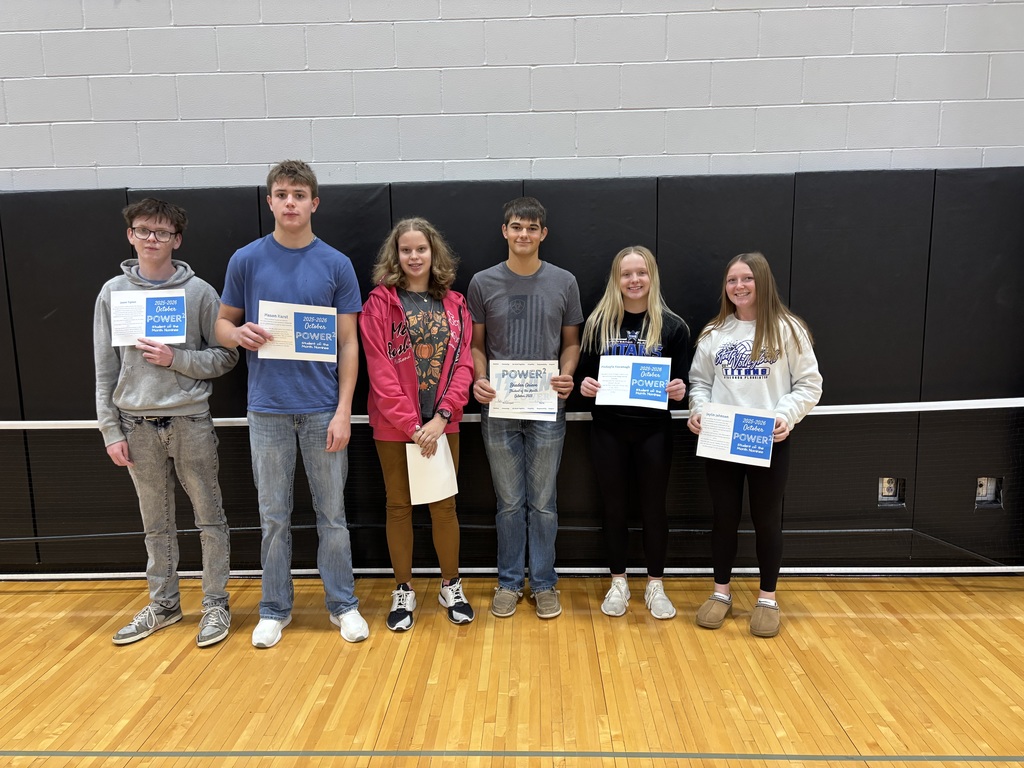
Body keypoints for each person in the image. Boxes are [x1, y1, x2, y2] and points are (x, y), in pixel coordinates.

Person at [215, 160, 368, 648]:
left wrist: (344, 409)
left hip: (323, 408)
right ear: (270, 202)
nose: (289, 202)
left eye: (299, 195)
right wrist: (236, 334)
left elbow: (349, 343)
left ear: (314, 203)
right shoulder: (247, 260)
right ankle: (274, 608)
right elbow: (221, 323)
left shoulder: (336, 264)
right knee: (274, 516)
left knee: (333, 515)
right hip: (267, 410)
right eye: (281, 194)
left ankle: (342, 605)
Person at [94, 198, 238, 647]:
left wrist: (177, 359)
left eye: (161, 233)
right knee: (155, 522)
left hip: (190, 422)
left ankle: (215, 602)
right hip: (136, 426)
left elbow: (226, 355)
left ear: (177, 239)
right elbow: (104, 368)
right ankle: (164, 604)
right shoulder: (112, 292)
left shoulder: (199, 293)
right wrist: (110, 429)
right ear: (130, 236)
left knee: (209, 517)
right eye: (143, 231)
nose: (152, 240)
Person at [687, 251, 822, 638]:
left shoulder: (788, 329)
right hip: (722, 441)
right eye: (732, 280)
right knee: (724, 519)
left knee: (766, 522)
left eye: (747, 279)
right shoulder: (715, 334)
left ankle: (767, 598)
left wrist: (785, 416)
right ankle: (721, 593)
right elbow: (699, 383)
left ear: (762, 282)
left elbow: (810, 384)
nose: (739, 287)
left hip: (767, 440)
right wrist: (698, 410)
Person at [468, 196, 583, 620]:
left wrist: (567, 374)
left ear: (543, 234)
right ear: (505, 231)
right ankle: (510, 582)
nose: (524, 234)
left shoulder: (564, 282)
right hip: (499, 407)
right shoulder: (482, 282)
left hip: (547, 405)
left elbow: (571, 344)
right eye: (517, 226)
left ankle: (545, 582)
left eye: (532, 228)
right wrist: (479, 380)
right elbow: (476, 346)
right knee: (510, 502)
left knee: (544, 501)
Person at [359, 218, 476, 631]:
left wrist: (442, 416)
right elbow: (379, 370)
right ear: (396, 255)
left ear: (433, 253)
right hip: (395, 428)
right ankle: (404, 589)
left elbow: (465, 364)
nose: (413, 257)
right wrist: (413, 426)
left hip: (444, 425)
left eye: (421, 249)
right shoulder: (379, 303)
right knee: (398, 506)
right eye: (406, 250)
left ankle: (451, 584)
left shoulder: (456, 304)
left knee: (444, 506)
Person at [577, 246, 690, 620]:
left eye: (641, 272)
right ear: (616, 279)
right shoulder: (597, 324)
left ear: (652, 276)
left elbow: (686, 383)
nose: (634, 280)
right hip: (608, 430)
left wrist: (680, 389)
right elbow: (583, 378)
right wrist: (586, 386)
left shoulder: (673, 327)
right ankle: (619, 582)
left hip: (653, 432)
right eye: (626, 274)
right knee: (614, 508)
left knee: (654, 508)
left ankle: (655, 584)